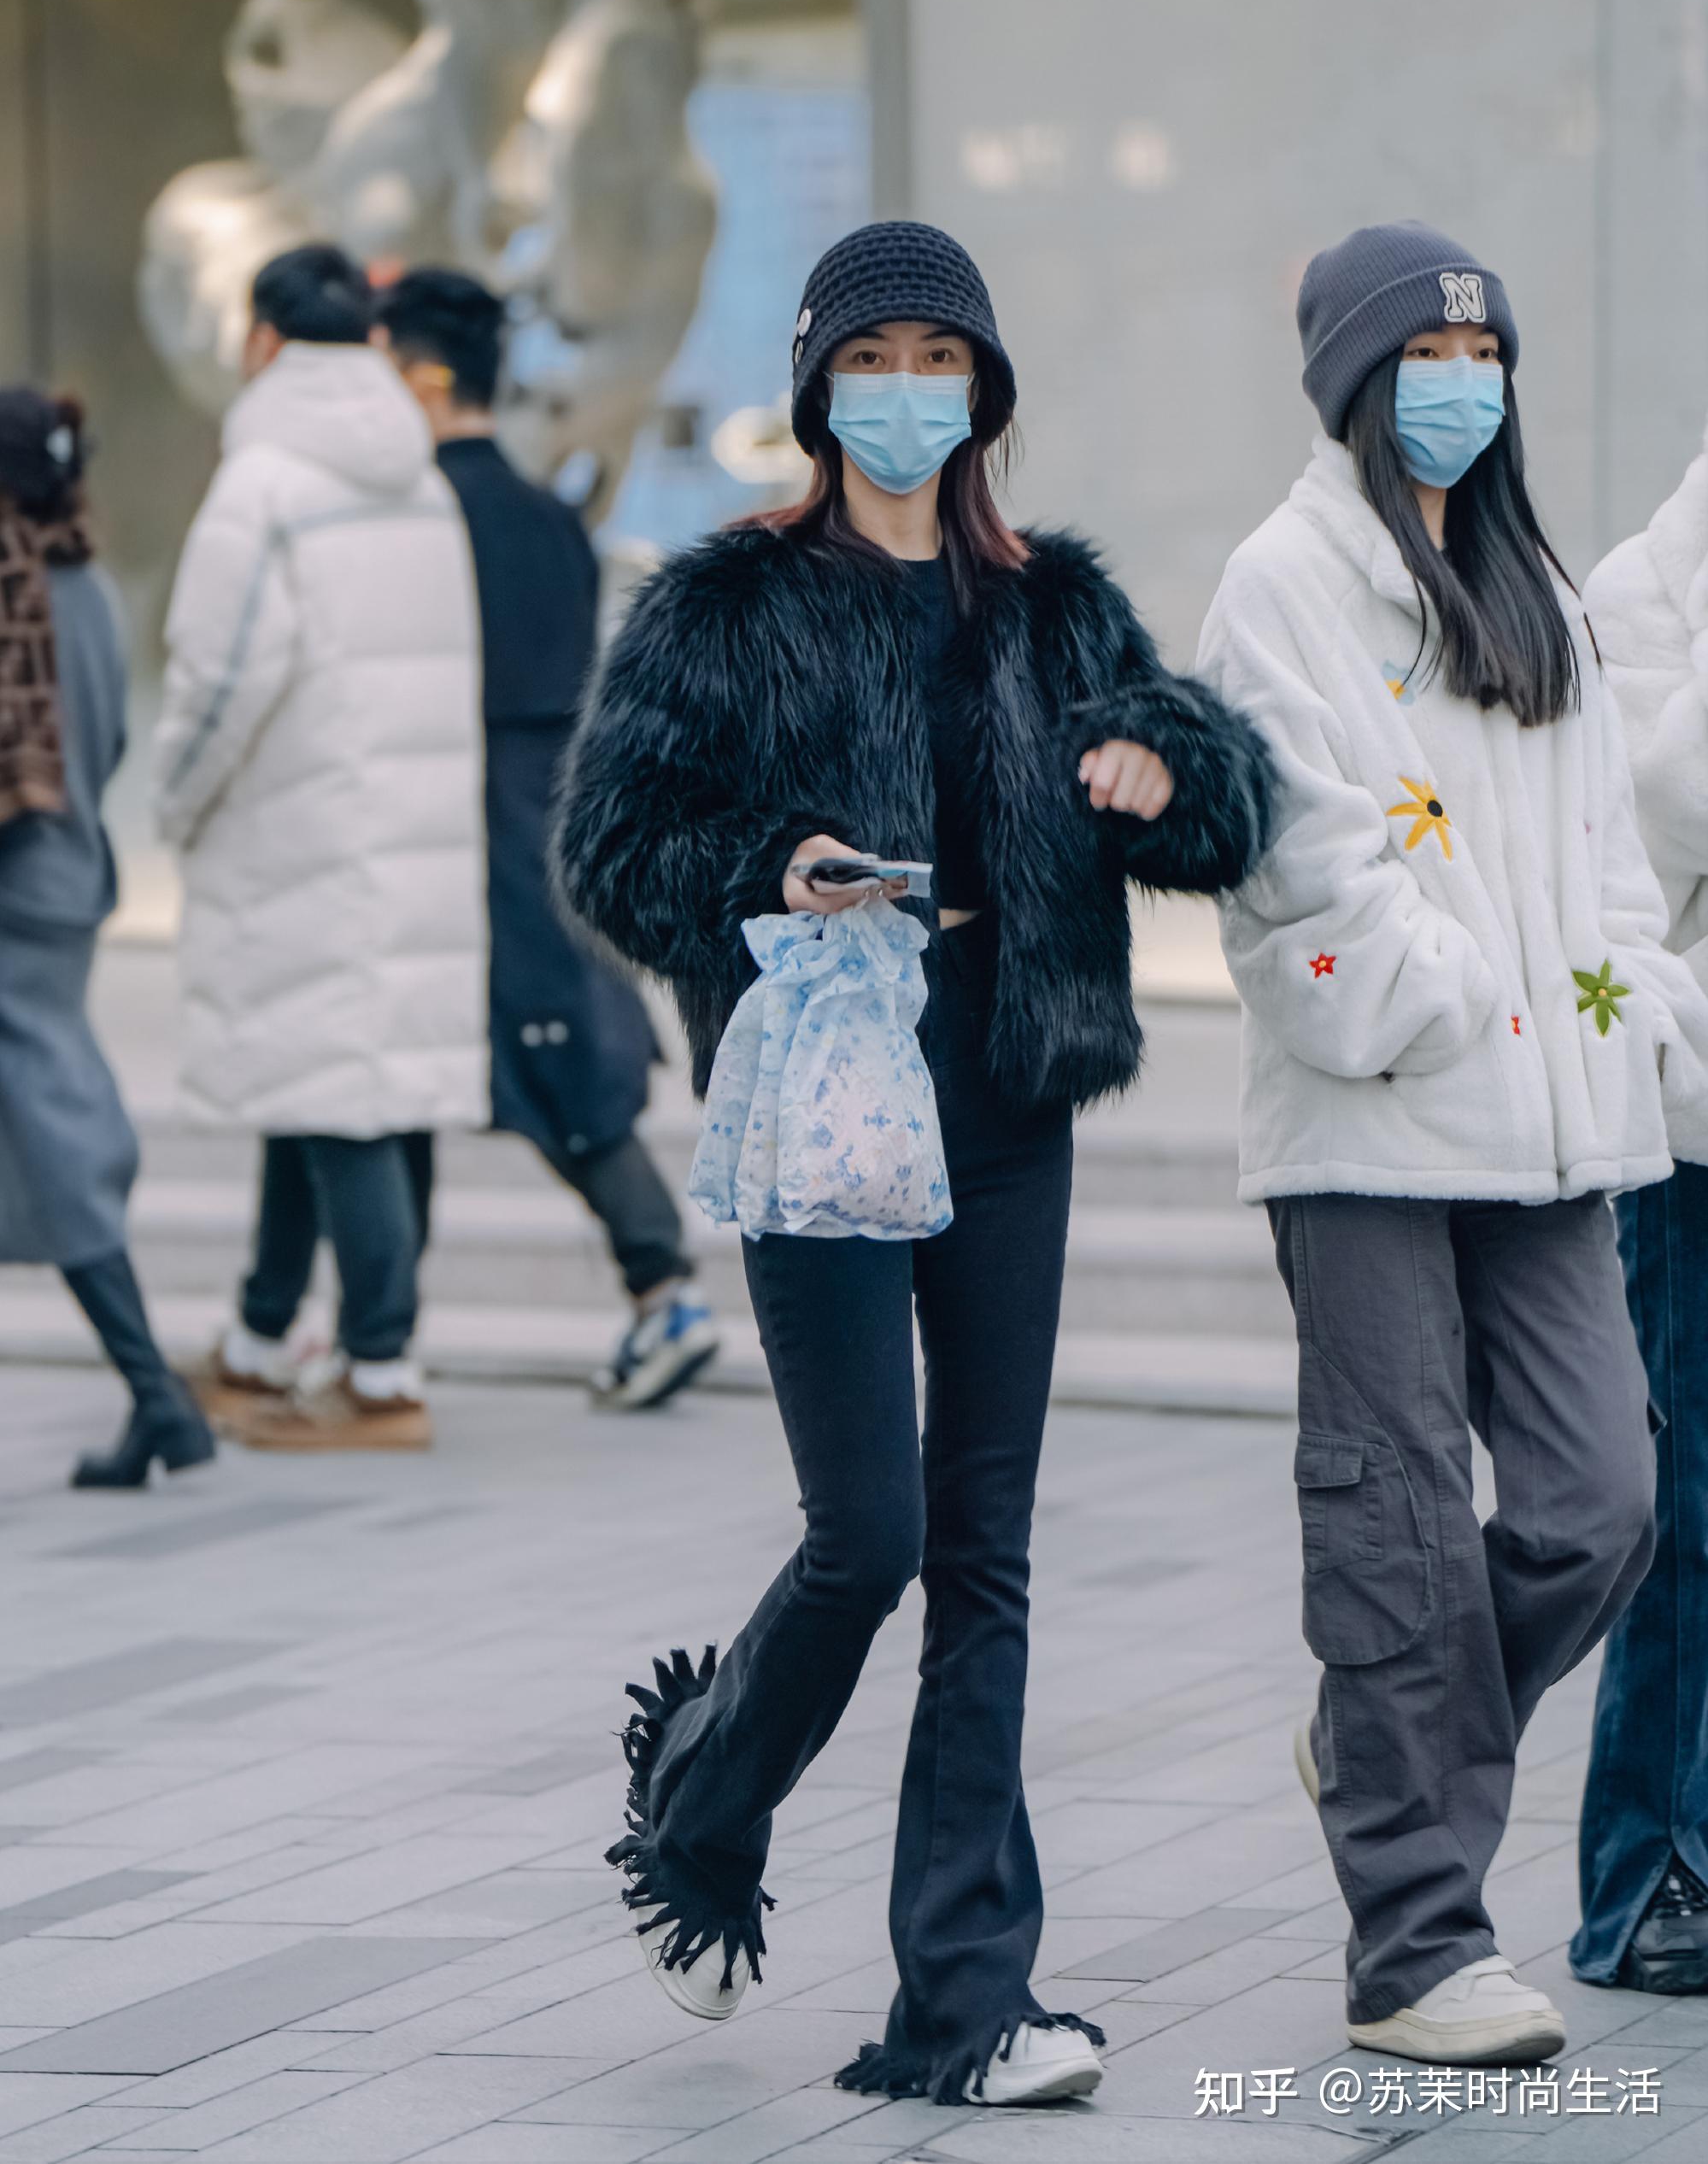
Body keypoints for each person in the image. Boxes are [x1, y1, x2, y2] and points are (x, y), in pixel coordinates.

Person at [553, 220, 1273, 2106]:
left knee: (987, 1553)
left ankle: (961, 2004)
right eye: (866, 363)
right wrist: (762, 866)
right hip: (820, 1095)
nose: (903, 394)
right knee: (866, 1532)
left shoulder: (1053, 604)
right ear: (816, 392)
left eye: (934, 361)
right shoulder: (720, 601)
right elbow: (611, 849)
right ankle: (703, 1801)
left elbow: (1212, 794)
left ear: (983, 393)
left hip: (1006, 1090)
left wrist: (1161, 767)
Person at [1199, 220, 1708, 2064]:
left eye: (1484, 361)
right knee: (1399, 1531)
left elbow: (1608, 866)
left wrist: (1626, 1022)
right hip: (1373, 1128)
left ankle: (1376, 1746)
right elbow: (1295, 859)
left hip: (1559, 1131)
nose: (1459, 388)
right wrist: (1438, 1003)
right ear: (1350, 377)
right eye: (1425, 356)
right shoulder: (1283, 584)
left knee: (1603, 1506)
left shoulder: (1532, 585)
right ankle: (1414, 1949)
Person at [155, 243, 484, 1452]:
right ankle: (257, 1341)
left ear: (262, 343)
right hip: (400, 833)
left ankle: (382, 1375)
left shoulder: (266, 484)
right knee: (329, 1092)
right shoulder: (421, 479)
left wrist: (174, 802)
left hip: (298, 829)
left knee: (338, 1107)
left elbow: (222, 673)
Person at [372, 267, 719, 1409]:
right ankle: (385, 1333)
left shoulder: (415, 521)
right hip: (547, 822)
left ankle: (653, 1289)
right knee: (555, 1059)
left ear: (420, 377)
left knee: (448, 1078)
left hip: (457, 831)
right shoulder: (548, 519)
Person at [0, 389, 215, 1490]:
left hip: (18, 893)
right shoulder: (79, 584)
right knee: (44, 1128)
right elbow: (112, 734)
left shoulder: (11, 583)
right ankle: (156, 1398)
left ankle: (158, 1394)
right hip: (66, 875)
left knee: (52, 1131)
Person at [1570, 413, 1708, 1994]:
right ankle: (1644, 1878)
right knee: (1681, 1513)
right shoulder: (1639, 592)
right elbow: (1673, 818)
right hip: (1692, 1133)